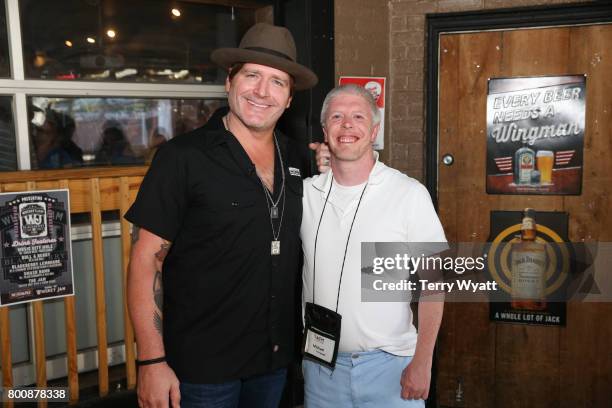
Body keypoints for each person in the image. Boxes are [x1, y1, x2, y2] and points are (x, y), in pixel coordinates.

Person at [125, 23, 317, 408]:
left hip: (273, 361)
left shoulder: (299, 158)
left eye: (277, 82)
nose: (263, 92)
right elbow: (146, 261)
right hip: (201, 369)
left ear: (289, 99)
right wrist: (151, 360)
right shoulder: (182, 158)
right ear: (229, 82)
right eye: (252, 75)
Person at [301, 84, 446, 407]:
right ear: (325, 131)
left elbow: (434, 285)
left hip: (391, 366)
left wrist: (423, 362)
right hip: (320, 368)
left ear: (374, 130)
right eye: (337, 117)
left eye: (358, 116)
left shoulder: (408, 194)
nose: (347, 124)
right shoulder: (306, 195)